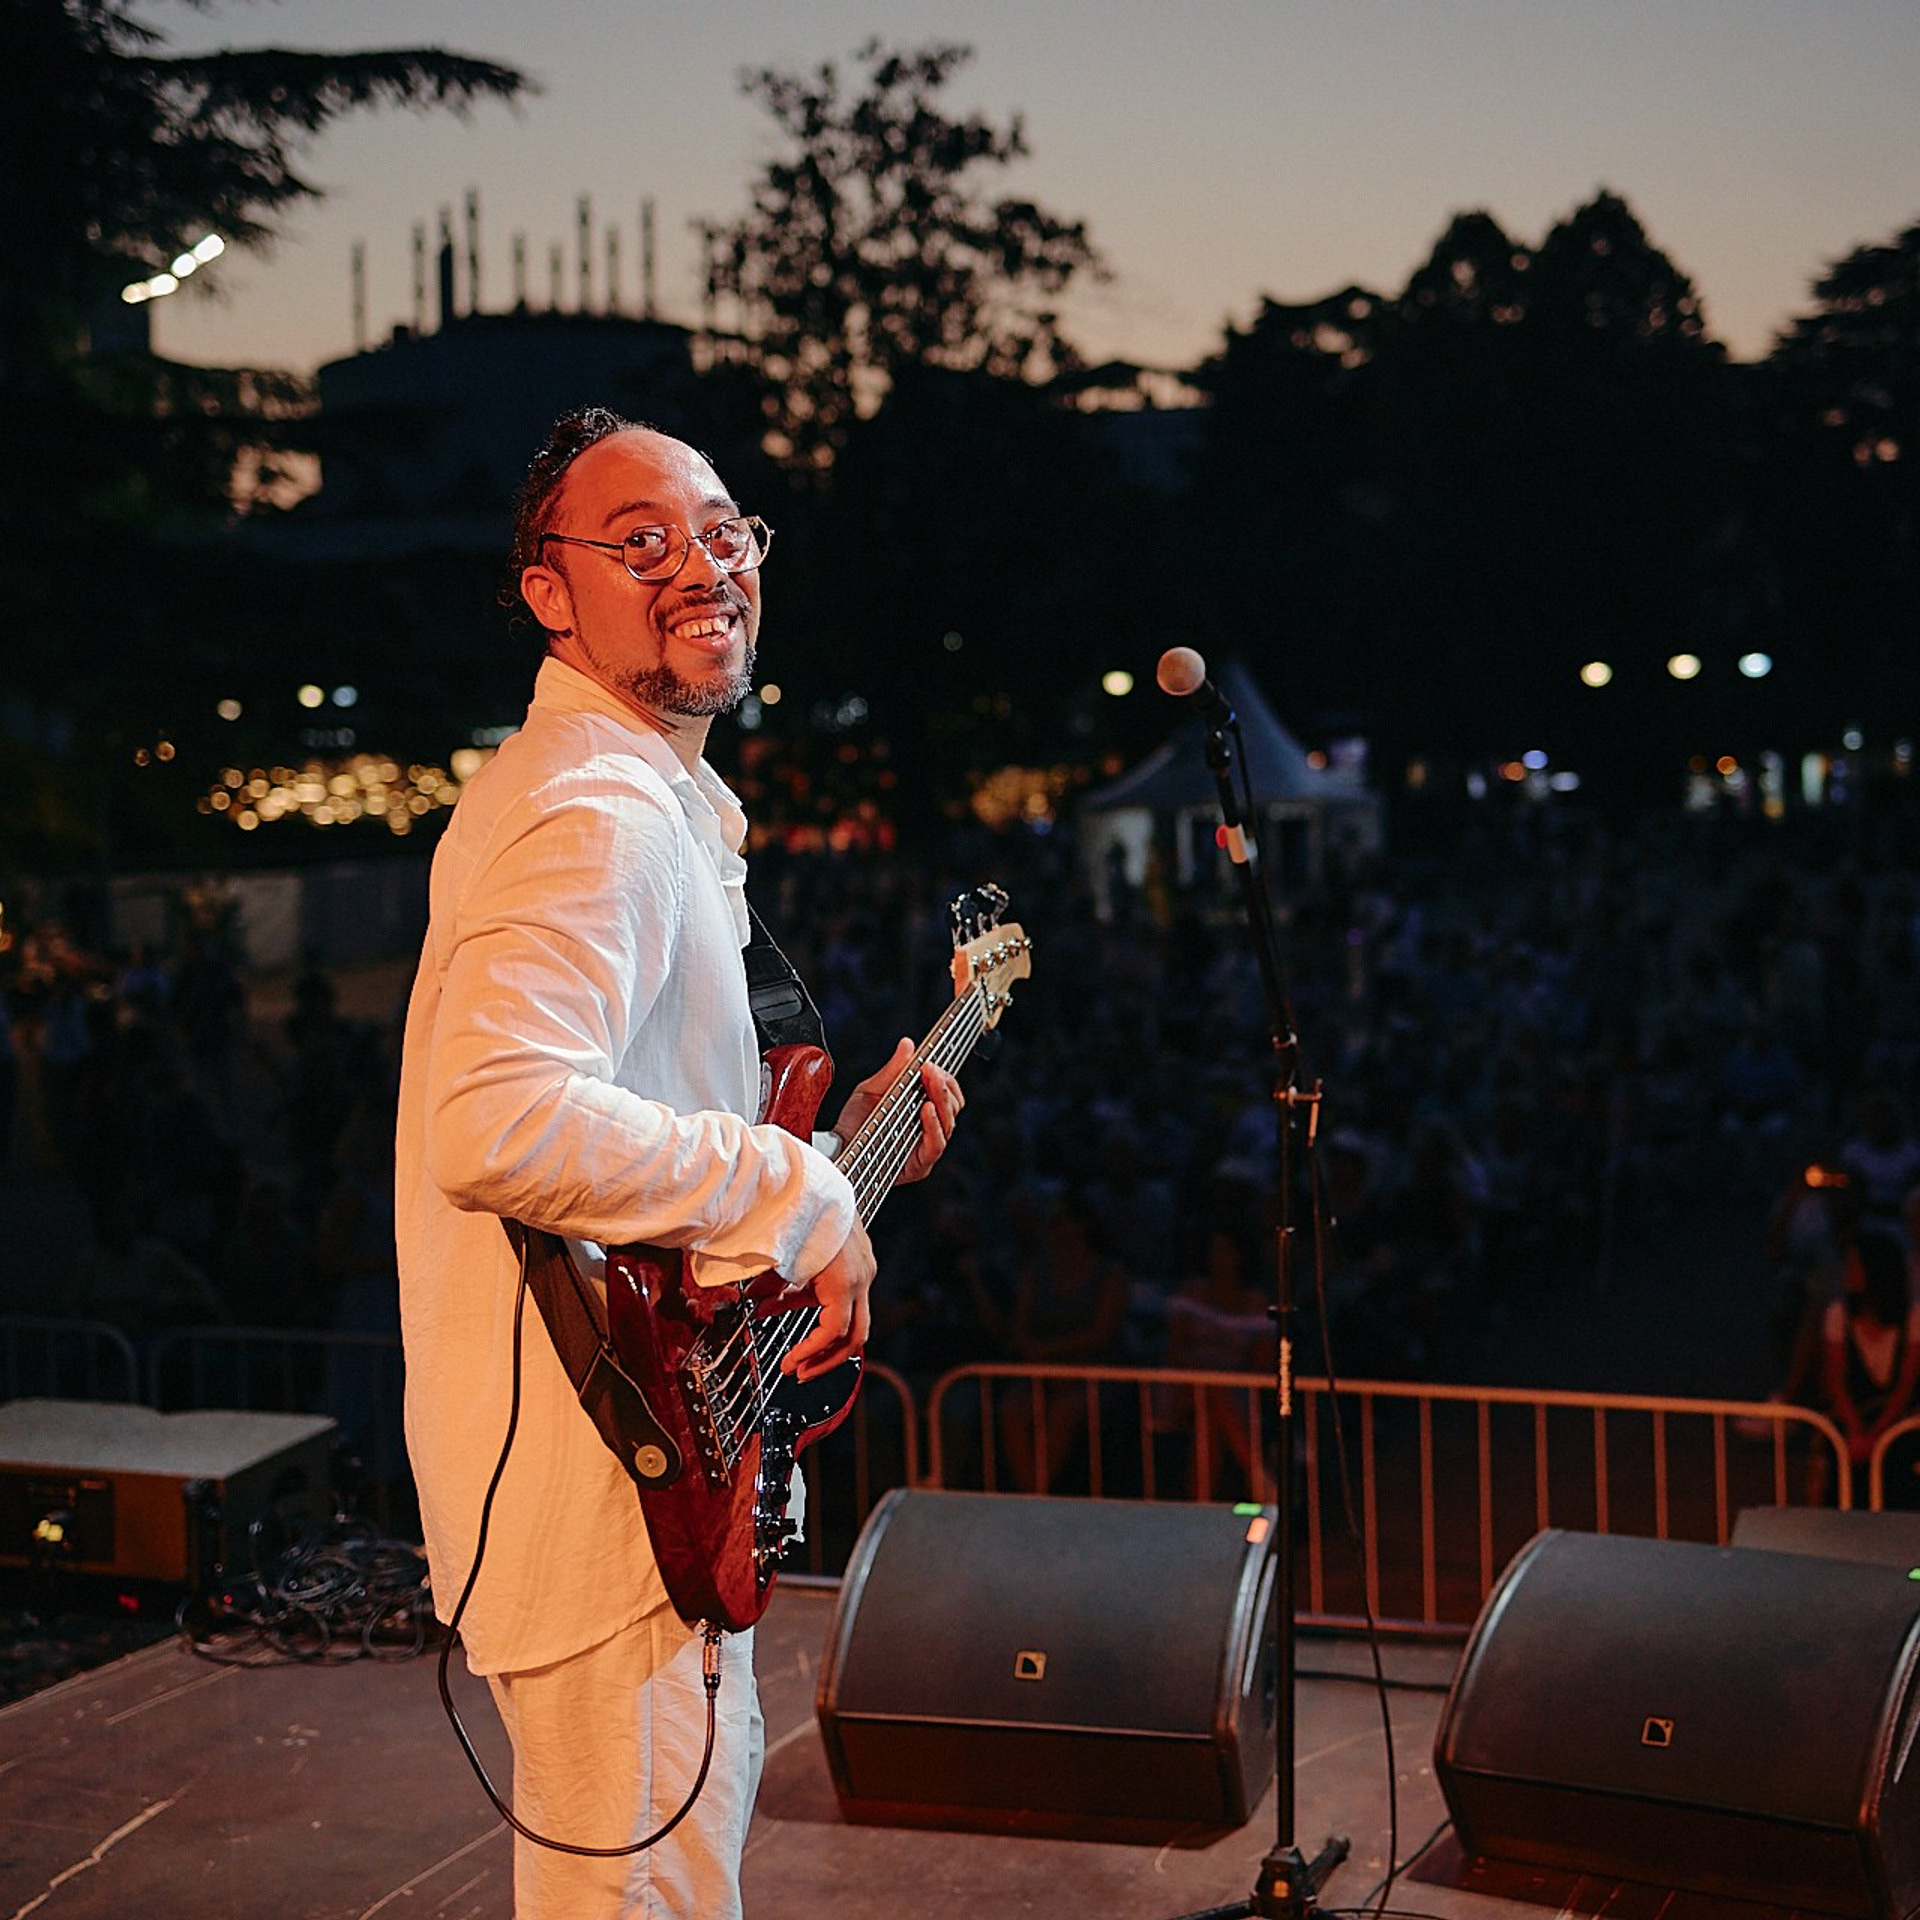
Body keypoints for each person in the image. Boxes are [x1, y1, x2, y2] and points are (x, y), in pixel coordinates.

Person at [395, 407, 963, 1920]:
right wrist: (801, 1193)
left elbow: (632, 1140)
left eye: (722, 534)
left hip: (641, 1458)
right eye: (640, 543)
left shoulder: (631, 799)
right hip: (603, 1489)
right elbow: (498, 1118)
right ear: (548, 592)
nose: (700, 568)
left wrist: (835, 1153)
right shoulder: (599, 814)